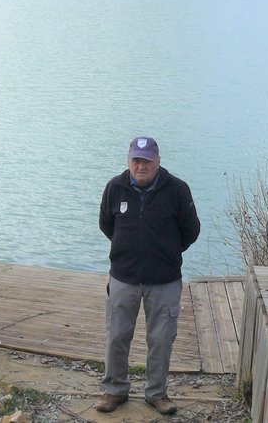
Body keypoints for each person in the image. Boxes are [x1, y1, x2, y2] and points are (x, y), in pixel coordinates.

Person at [95, 136, 201, 415]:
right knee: (117, 335)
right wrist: (127, 251)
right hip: (123, 278)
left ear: (158, 161)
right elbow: (106, 225)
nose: (140, 166)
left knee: (161, 339)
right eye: (136, 160)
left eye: (146, 160)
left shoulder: (177, 190)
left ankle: (156, 393)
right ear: (128, 160)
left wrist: (164, 252)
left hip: (164, 280)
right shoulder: (114, 188)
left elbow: (191, 231)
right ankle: (114, 389)